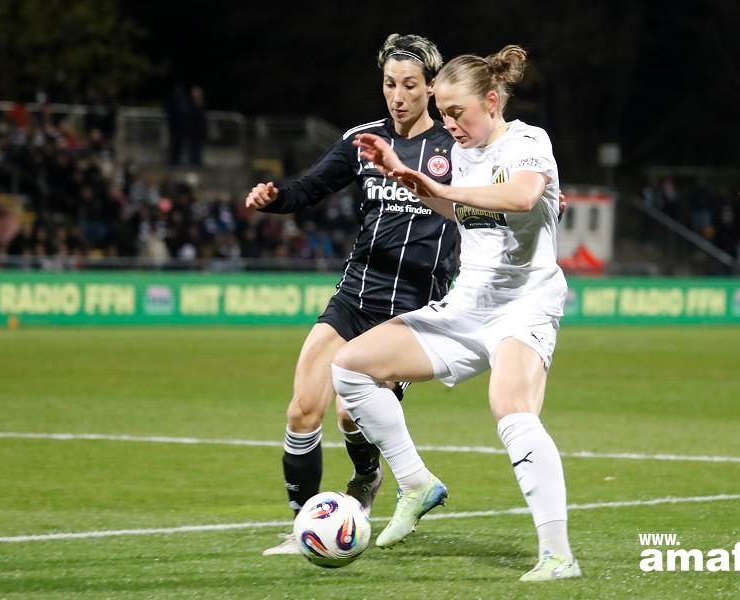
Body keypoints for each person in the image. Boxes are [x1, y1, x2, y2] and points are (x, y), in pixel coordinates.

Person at [332, 45, 580, 582]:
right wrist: (409, 179)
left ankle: (558, 554)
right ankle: (416, 482)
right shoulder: (463, 152)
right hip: (468, 305)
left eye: (456, 113)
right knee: (350, 367)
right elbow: (456, 206)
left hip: (525, 304)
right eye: (443, 114)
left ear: (491, 101)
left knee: (511, 410)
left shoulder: (528, 142)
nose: (448, 124)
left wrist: (438, 185)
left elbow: (522, 196)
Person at [244, 33, 459, 556]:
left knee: (348, 414)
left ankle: (366, 477)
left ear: (432, 87)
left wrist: (541, 201)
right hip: (356, 294)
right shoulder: (363, 140)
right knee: (303, 410)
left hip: (411, 310)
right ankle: (304, 527)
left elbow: (500, 193)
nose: (398, 96)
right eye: (389, 84)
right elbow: (307, 189)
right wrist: (274, 198)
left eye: (410, 85)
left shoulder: (458, 148)